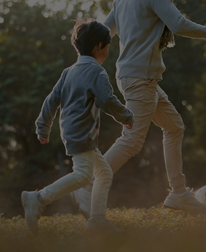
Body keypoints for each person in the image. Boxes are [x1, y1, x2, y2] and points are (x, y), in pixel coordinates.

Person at [69, 0, 206, 213]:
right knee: (131, 141)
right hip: (140, 78)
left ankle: (178, 193)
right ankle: (85, 186)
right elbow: (178, 25)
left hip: (137, 77)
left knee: (174, 127)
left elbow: (104, 31)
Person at [22, 19, 134, 234]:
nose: (108, 52)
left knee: (104, 172)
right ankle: (38, 198)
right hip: (82, 131)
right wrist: (127, 117)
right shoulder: (96, 72)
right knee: (83, 175)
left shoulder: (68, 72)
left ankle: (97, 219)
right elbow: (107, 100)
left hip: (73, 131)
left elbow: (50, 100)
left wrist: (42, 127)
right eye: (108, 47)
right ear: (98, 47)